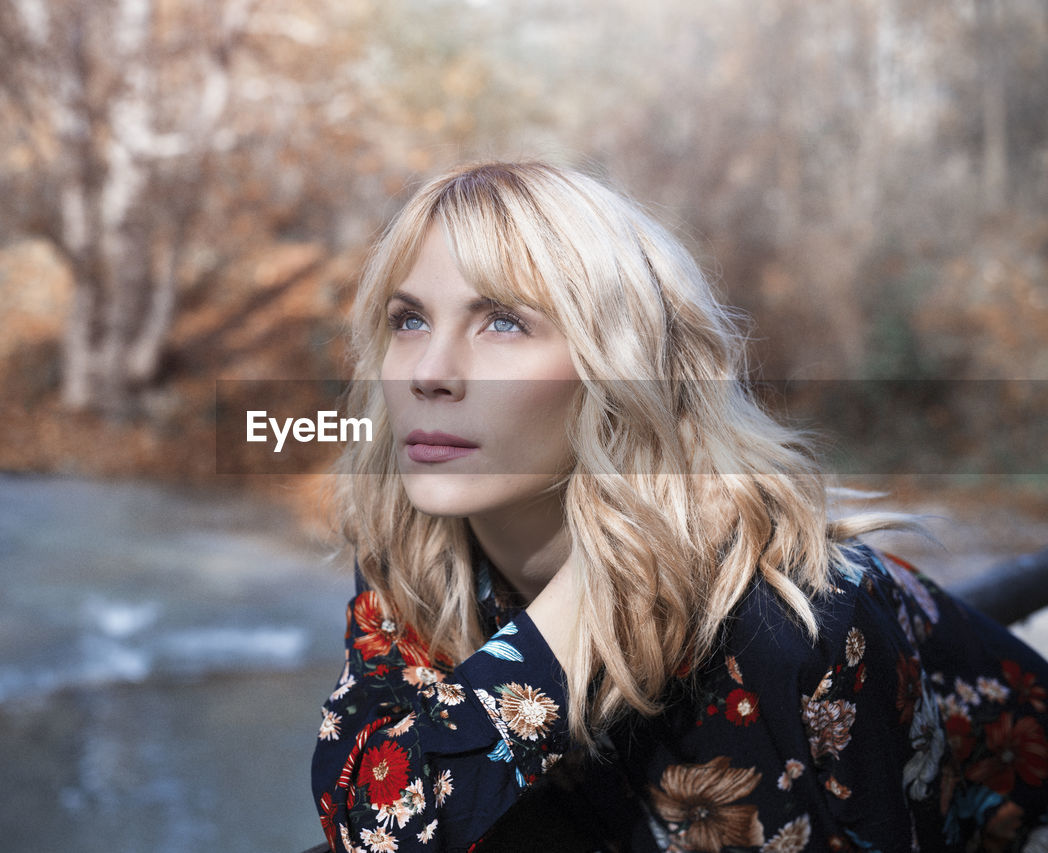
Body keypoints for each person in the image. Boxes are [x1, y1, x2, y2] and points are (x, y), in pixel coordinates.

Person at [309, 161, 1048, 852]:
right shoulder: (414, 555)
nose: (430, 372)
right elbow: (372, 822)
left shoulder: (788, 619)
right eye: (409, 320)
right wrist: (589, 595)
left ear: (622, 370)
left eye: (503, 321)